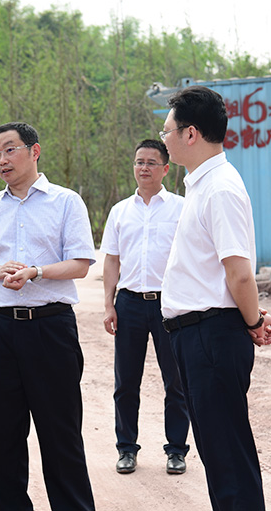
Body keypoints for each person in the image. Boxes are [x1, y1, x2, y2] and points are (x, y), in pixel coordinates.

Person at [0, 122, 96, 511]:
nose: (1, 160)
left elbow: (81, 263)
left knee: (61, 434)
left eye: (10, 150)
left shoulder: (66, 201)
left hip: (51, 328)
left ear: (34, 151)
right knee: (4, 434)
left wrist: (37, 272)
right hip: (2, 331)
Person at [159, 86, 271, 511]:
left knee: (227, 455)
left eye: (167, 130)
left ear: (190, 133)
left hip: (210, 335)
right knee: (218, 451)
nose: (164, 139)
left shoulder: (220, 188)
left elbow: (239, 272)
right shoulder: (201, 186)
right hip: (197, 335)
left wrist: (253, 320)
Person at [101, 139, 190, 475]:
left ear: (166, 168)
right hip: (129, 304)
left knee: (176, 381)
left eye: (152, 162)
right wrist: (109, 305)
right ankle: (126, 448)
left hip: (170, 304)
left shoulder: (181, 208)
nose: (144, 168)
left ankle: (177, 450)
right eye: (139, 162)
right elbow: (111, 260)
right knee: (126, 382)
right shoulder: (120, 211)